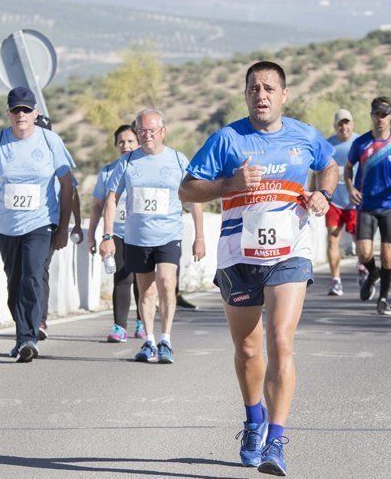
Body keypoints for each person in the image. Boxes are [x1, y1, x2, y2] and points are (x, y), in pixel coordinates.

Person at [179, 61, 338, 476]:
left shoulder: (304, 136)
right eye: (253, 88)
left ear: (284, 95)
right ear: (245, 94)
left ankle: (276, 441)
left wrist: (323, 194)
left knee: (281, 340)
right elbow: (187, 187)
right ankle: (254, 421)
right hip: (239, 255)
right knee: (248, 349)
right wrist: (228, 185)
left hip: (290, 252)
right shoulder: (227, 139)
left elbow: (330, 164)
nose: (261, 94)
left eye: (269, 88)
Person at [0, 87, 75, 362]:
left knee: (32, 275)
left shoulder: (50, 141)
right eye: (15, 110)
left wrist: (63, 227)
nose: (20, 115)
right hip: (5, 226)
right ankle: (22, 333)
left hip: (40, 222)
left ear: (35, 113)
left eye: (25, 109)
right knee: (14, 282)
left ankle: (28, 338)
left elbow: (67, 184)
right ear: (9, 113)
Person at [99, 109, 205, 364]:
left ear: (163, 132)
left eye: (152, 131)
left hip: (168, 234)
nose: (147, 136)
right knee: (145, 291)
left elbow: (193, 198)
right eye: (142, 131)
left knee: (167, 282)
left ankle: (166, 339)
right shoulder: (127, 162)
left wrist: (199, 236)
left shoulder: (178, 160)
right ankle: (149, 340)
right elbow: (111, 198)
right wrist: (107, 235)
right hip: (137, 237)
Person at [346, 96, 391, 317]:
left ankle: (383, 298)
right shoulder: (361, 143)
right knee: (363, 251)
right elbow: (348, 168)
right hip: (366, 203)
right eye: (376, 114)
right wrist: (350, 188)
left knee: (387, 254)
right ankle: (372, 273)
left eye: (384, 115)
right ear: (371, 115)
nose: (380, 119)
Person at [88, 124, 145, 342]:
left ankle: (142, 322)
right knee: (122, 278)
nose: (126, 145)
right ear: (115, 145)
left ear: (138, 142)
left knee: (142, 279)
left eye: (130, 141)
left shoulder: (144, 168)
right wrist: (95, 234)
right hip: (117, 232)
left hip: (141, 232)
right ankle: (120, 327)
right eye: (121, 142)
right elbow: (97, 206)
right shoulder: (108, 171)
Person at [36, 114, 84, 341]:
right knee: (25, 273)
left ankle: (39, 320)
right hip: (21, 226)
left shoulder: (57, 157)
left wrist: (74, 225)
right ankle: (28, 318)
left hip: (51, 223)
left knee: (39, 270)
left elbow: (72, 193)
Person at [324, 109, 359, 297]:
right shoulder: (328, 145)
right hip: (334, 201)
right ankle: (335, 280)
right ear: (335, 126)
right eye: (340, 124)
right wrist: (316, 194)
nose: (344, 127)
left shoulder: (360, 142)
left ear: (352, 124)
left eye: (347, 123)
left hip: (355, 201)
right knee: (332, 239)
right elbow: (318, 171)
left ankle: (363, 267)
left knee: (360, 241)